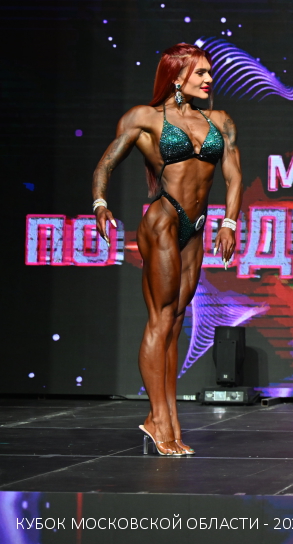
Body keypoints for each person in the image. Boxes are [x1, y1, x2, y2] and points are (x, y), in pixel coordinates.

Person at [91, 43, 242, 456]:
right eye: (200, 73)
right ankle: (157, 419)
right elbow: (106, 164)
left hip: (196, 228)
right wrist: (100, 203)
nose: (208, 79)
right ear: (177, 76)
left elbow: (233, 176)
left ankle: (169, 419)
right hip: (163, 220)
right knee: (160, 319)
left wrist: (229, 222)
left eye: (209, 72)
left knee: (176, 321)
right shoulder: (145, 118)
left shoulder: (219, 121)